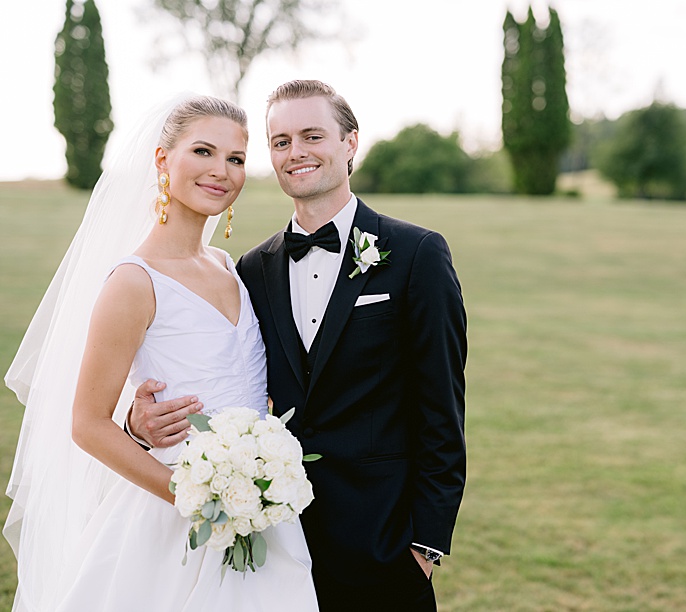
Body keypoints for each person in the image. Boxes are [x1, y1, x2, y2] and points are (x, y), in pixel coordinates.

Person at [129, 80, 467, 610]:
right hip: (268, 539)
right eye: (281, 141)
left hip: (383, 548)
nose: (296, 153)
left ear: (350, 143)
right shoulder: (251, 270)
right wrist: (137, 423)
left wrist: (425, 546)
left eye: (313, 135)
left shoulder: (416, 254)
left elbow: (443, 411)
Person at [4, 96, 318, 611]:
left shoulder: (227, 266)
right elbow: (86, 423)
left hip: (261, 507)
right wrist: (195, 494)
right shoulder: (134, 281)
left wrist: (254, 484)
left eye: (236, 158)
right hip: (172, 514)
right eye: (203, 151)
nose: (222, 171)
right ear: (161, 160)